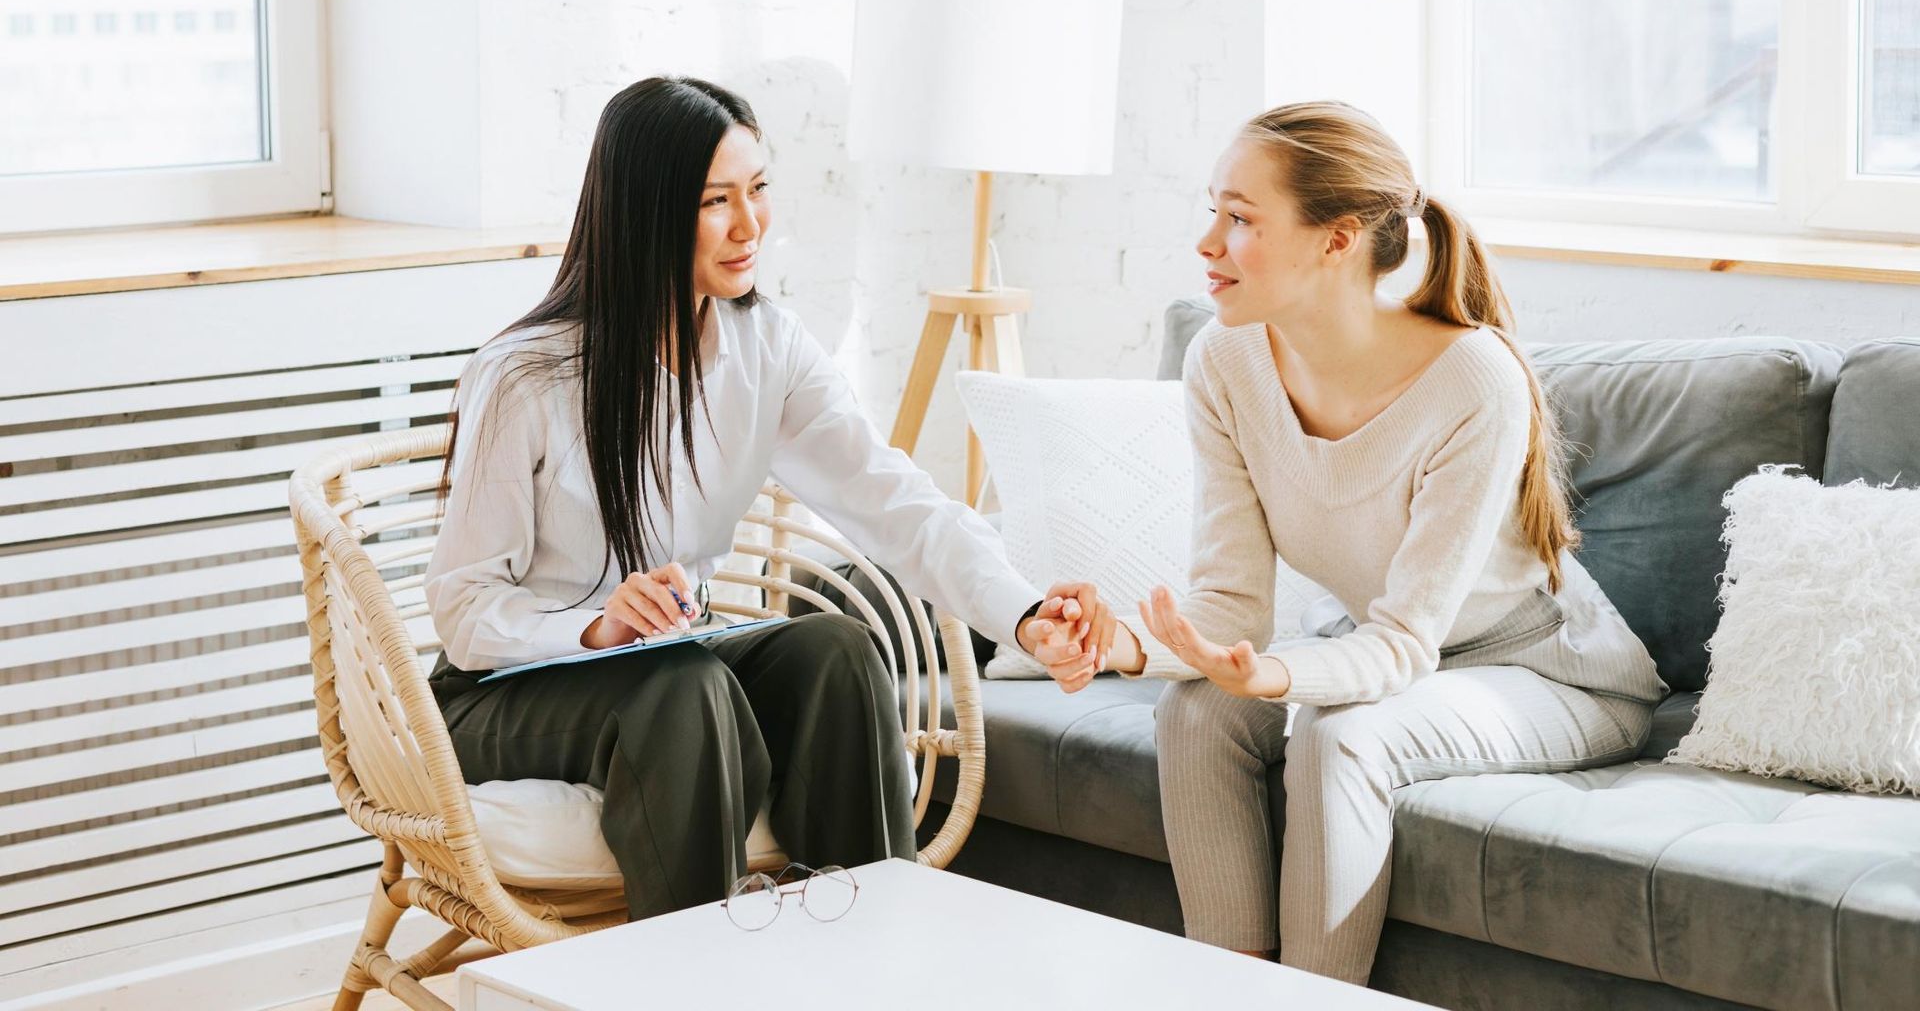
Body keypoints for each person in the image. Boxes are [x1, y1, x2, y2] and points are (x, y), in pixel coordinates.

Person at [423, 76, 1095, 920]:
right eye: (716, 200)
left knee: (837, 653)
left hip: (673, 673)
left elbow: (897, 503)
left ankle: (870, 960)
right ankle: (701, 984)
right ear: (646, 210)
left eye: (759, 189)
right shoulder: (527, 375)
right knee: (679, 686)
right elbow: (463, 608)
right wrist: (600, 628)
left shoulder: (766, 347)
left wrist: (1026, 612)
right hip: (508, 690)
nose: (751, 225)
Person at [1080, 102, 1665, 984]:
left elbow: (1399, 643)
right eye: (1213, 211)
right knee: (1198, 713)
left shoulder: (1473, 380)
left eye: (1239, 218)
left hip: (1544, 673)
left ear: (1337, 239)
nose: (1207, 242)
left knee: (1339, 736)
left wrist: (1273, 675)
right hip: (1397, 660)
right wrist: (1112, 640)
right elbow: (1230, 606)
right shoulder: (1225, 359)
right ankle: (1232, 990)